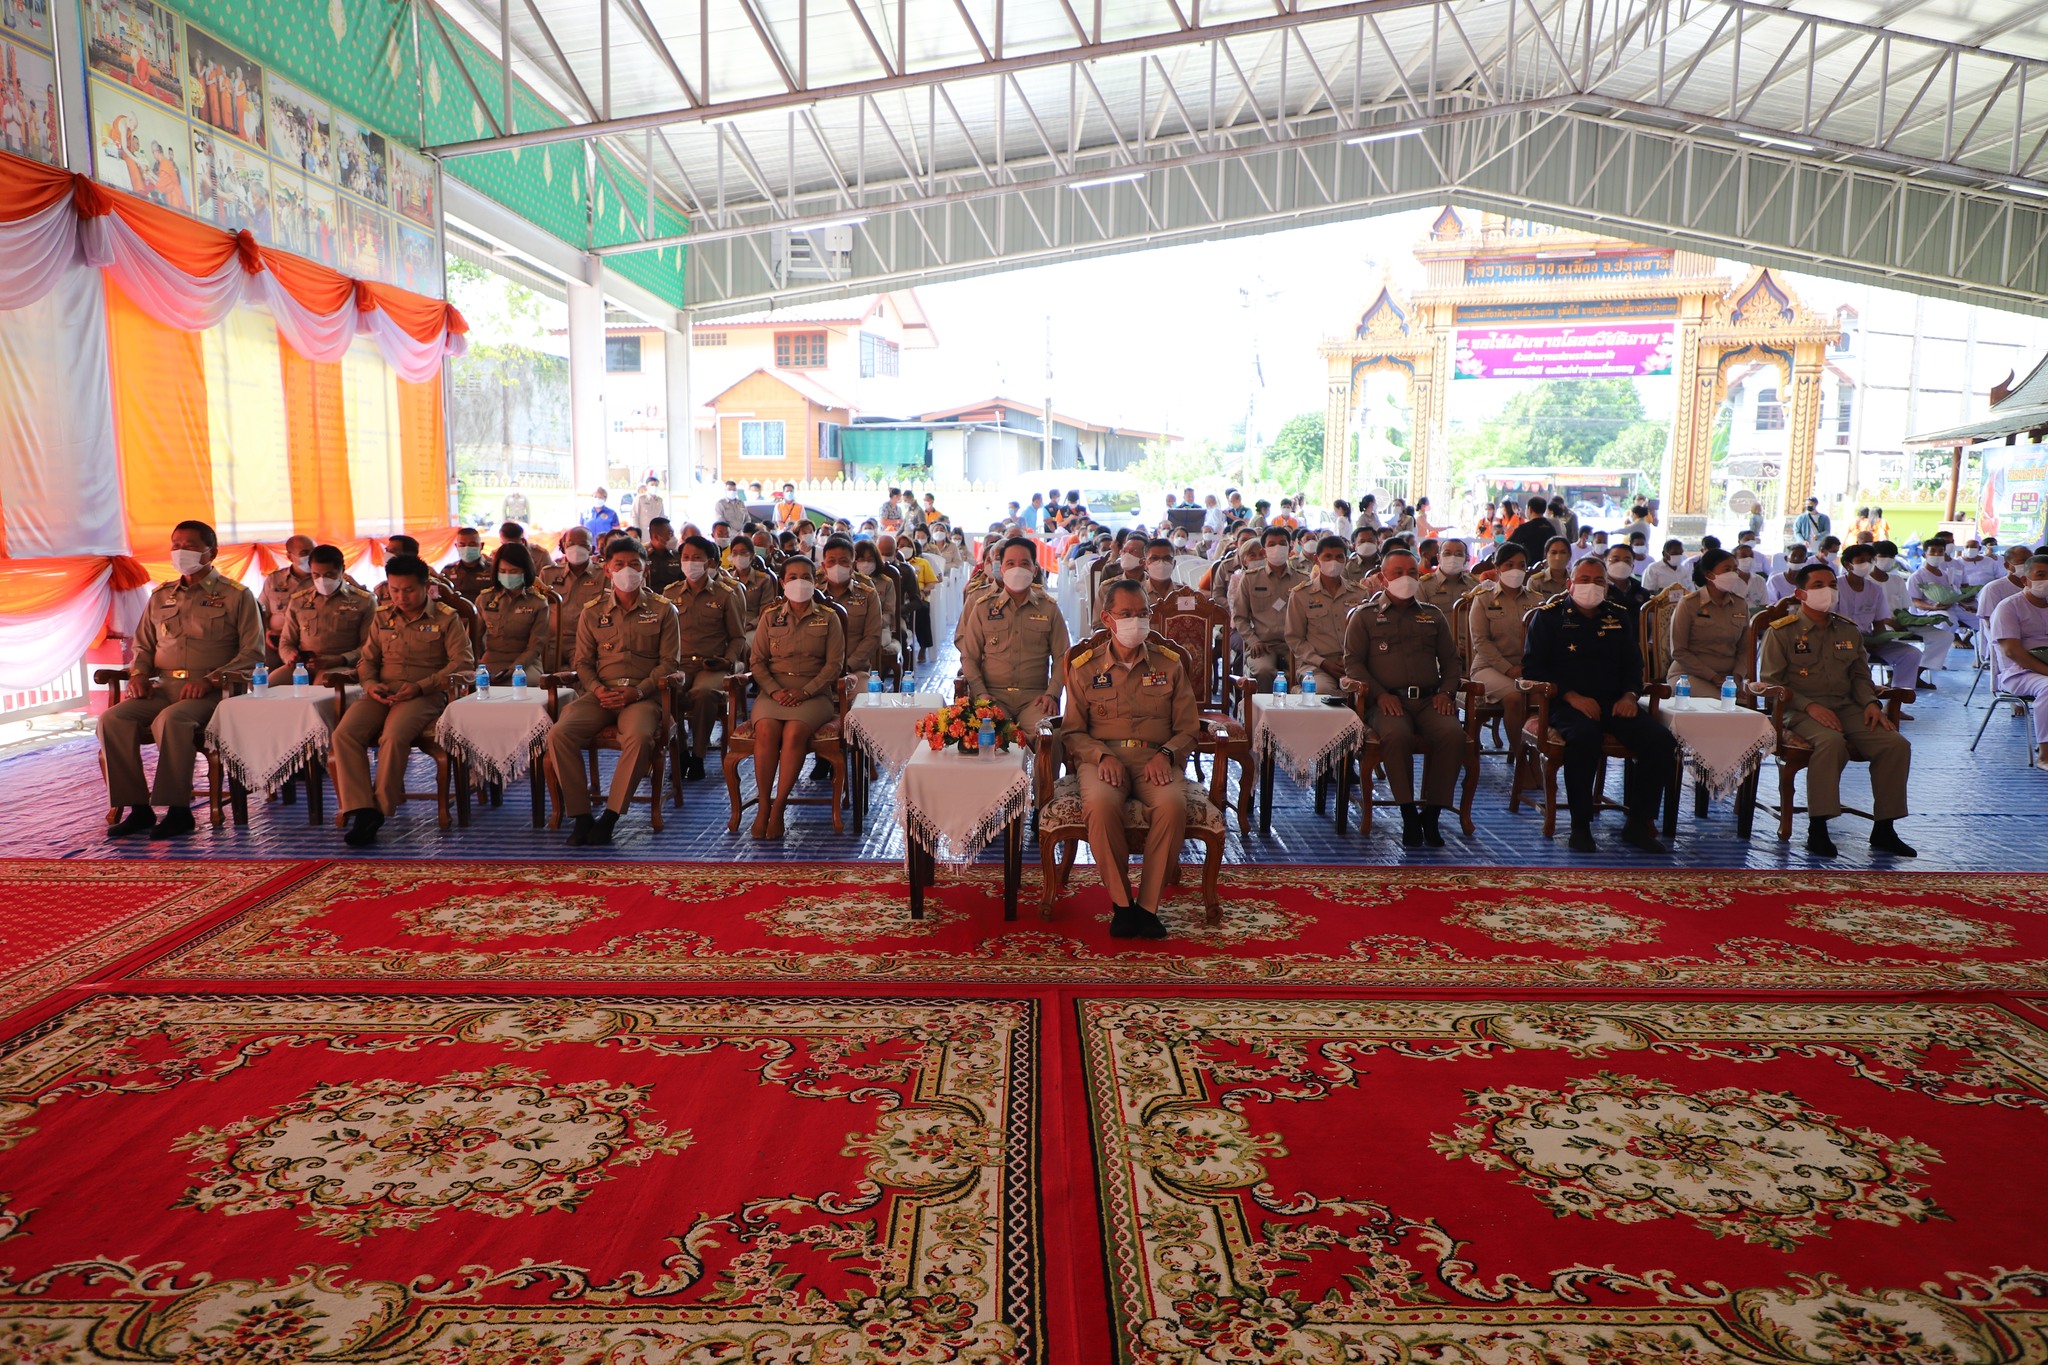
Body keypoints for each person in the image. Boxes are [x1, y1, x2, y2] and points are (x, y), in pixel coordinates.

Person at [102, 521, 263, 841]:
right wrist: (138, 676)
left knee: (172, 719)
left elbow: (253, 654)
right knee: (112, 719)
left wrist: (211, 680)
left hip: (213, 693)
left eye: (189, 546)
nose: (180, 552)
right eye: (175, 545)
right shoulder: (161, 596)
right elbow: (143, 646)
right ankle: (138, 808)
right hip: (163, 687)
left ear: (211, 553)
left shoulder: (236, 596)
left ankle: (179, 812)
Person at [1059, 580, 1201, 940]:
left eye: (1143, 613)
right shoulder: (1085, 667)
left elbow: (1189, 727)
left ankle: (1148, 908)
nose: (1136, 621)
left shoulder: (1169, 664)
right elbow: (1072, 731)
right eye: (1126, 614)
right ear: (1107, 618)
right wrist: (1101, 755)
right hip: (1103, 759)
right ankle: (1122, 905)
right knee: (1102, 807)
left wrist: (1167, 754)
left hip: (1156, 758)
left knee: (1171, 806)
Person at [1758, 562, 1915, 857]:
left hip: (1847, 706)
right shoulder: (1781, 633)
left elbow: (1859, 676)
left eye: (1831, 585)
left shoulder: (1848, 630)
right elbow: (1770, 684)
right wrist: (1810, 706)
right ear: (1801, 594)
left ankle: (1884, 828)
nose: (1827, 591)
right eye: (1818, 586)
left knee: (1895, 744)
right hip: (1798, 710)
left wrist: (1871, 703)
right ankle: (1818, 827)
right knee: (1830, 743)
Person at [1522, 557, 1678, 854]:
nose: (1590, 586)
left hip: (1616, 704)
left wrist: (1630, 696)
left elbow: (1634, 667)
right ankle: (1581, 827)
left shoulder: (1619, 617)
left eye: (1597, 581)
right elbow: (1533, 670)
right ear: (1570, 584)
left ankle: (1638, 824)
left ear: (1606, 587)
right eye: (1584, 579)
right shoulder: (1549, 617)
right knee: (1584, 738)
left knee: (1660, 741)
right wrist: (1572, 697)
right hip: (1566, 704)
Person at [543, 537, 679, 846]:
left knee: (639, 736)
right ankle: (581, 817)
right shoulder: (593, 612)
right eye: (619, 565)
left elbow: (669, 663)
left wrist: (638, 692)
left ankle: (610, 817)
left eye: (634, 565)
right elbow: (582, 662)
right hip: (600, 694)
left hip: (642, 697)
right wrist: (597, 689)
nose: (627, 571)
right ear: (607, 570)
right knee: (559, 734)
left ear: (645, 571)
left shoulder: (663, 610)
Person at [332, 554, 473, 847]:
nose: (401, 597)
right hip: (382, 691)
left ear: (425, 587)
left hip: (424, 694)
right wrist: (370, 685)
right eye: (394, 590)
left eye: (408, 590)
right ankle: (360, 808)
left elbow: (463, 663)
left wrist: (421, 687)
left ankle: (379, 810)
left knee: (393, 736)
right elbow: (366, 660)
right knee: (344, 734)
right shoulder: (382, 617)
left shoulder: (446, 619)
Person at [1340, 547, 1465, 848]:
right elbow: (1353, 663)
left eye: (1412, 573)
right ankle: (1409, 814)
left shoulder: (1432, 615)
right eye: (1398, 573)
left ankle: (1432, 814)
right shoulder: (1365, 616)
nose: (1406, 579)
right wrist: (1380, 695)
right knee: (1396, 736)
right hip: (1385, 701)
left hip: (1429, 700)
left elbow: (1451, 661)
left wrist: (1447, 692)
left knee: (1453, 735)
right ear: (1384, 578)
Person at [749, 557, 846, 839]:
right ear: (782, 582)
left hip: (813, 694)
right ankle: (763, 804)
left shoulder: (828, 618)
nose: (799, 582)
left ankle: (779, 807)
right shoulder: (770, 617)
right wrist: (776, 690)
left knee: (794, 732)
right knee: (766, 729)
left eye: (806, 577)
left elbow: (834, 665)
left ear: (816, 583)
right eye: (792, 577)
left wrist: (805, 691)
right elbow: (757, 662)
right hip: (774, 691)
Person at [958, 536, 1071, 730]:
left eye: (1025, 563)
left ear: (1035, 570)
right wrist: (980, 694)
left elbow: (1063, 656)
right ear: (1001, 569)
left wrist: (1052, 694)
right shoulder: (983, 607)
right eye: (1010, 563)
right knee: (985, 734)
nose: (1017, 568)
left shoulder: (1049, 608)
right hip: (993, 696)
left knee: (1048, 734)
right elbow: (969, 657)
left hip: (1035, 698)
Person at [656, 535, 744, 783]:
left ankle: (698, 756)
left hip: (712, 664)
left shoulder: (726, 594)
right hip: (679, 663)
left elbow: (738, 637)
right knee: (668, 691)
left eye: (697, 558)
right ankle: (680, 752)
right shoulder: (670, 593)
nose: (690, 563)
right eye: (686, 558)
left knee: (704, 693)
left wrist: (727, 661)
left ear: (710, 562)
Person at [1285, 535, 1371, 695]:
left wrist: (1355, 662)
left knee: (1370, 691)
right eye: (1328, 557)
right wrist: (1322, 663)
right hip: (1316, 666)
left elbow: (1367, 634)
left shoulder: (1359, 593)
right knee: (1322, 691)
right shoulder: (1301, 594)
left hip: (1354, 663)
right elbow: (1294, 638)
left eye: (1339, 557)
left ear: (1345, 560)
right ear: (1317, 560)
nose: (1334, 561)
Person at [1987, 554, 2048, 769]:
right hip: (2019, 673)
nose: (2047, 580)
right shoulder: (2008, 607)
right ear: (2025, 580)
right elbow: (2012, 651)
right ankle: (2045, 755)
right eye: (2041, 575)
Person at [278, 544, 375, 677]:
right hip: (304, 665)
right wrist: (290, 656)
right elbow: (286, 641)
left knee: (323, 685)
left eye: (329, 575)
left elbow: (369, 645)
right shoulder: (299, 600)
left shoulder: (364, 601)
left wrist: (341, 659)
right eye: (316, 575)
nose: (322, 580)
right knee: (271, 683)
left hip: (342, 664)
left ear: (342, 570)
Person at [1229, 526, 1306, 693]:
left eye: (1282, 543)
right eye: (1272, 544)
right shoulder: (1250, 579)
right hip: (1262, 644)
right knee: (1264, 672)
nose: (1277, 548)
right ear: (1264, 551)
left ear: (1290, 548)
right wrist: (1253, 641)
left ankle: (1299, 717)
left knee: (1307, 674)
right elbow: (1240, 617)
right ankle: (1262, 718)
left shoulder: (1302, 579)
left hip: (1295, 646)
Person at [1837, 543, 1923, 689]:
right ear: (1848, 564)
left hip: (1869, 639)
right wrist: (1860, 642)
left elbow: (1879, 623)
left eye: (1870, 560)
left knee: (1911, 653)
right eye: (1861, 560)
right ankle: (1860, 699)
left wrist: (1879, 640)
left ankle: (1895, 701)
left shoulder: (1875, 589)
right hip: (1841, 641)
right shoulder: (1836, 586)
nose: (1867, 564)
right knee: (1858, 654)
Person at [1667, 549, 1749, 695]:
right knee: (1719, 703)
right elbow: (1679, 651)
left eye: (1735, 569)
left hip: (1729, 679)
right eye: (1727, 569)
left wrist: (1736, 678)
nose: (1733, 574)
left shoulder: (1740, 605)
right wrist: (1715, 678)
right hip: (1689, 675)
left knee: (1746, 707)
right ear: (1709, 575)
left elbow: (1745, 650)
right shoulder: (1689, 604)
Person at [818, 536, 886, 692]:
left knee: (862, 698)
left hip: (854, 670)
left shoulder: (867, 595)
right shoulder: (814, 596)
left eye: (843, 561)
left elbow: (872, 637)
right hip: (816, 671)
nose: (837, 566)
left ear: (852, 565)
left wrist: (848, 665)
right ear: (823, 565)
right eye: (831, 561)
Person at [473, 543, 550, 680]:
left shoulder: (537, 603)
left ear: (525, 571)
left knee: (515, 683)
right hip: (491, 660)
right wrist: (476, 665)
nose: (507, 576)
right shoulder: (485, 599)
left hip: (527, 664)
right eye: (502, 571)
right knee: (478, 684)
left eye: (513, 571)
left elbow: (535, 647)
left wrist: (514, 669)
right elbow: (473, 638)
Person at [539, 526, 607, 653]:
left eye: (583, 545)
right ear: (563, 547)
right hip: (551, 642)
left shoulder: (604, 574)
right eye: (571, 544)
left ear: (591, 549)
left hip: (586, 643)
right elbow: (538, 609)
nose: (576, 549)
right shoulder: (548, 574)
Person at [257, 534, 316, 665]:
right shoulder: (274, 580)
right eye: (305, 553)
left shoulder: (323, 579)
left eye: (314, 551)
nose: (311, 556)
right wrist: (266, 632)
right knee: (259, 667)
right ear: (289, 556)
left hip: (309, 640)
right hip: (276, 639)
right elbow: (261, 611)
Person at [1419, 538, 1478, 612]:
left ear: (1466, 558)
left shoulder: (1475, 584)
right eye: (1447, 553)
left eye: (1459, 554)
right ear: (1438, 557)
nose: (1453, 557)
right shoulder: (1424, 585)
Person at [442, 526, 494, 600]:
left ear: (481, 546)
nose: (467, 548)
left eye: (472, 544)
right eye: (462, 545)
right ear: (456, 546)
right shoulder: (448, 571)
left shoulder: (493, 570)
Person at [1505, 497, 1556, 563]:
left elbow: (1507, 546)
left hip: (1528, 568)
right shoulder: (1551, 528)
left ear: (1530, 509)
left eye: (1526, 508)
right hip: (1547, 566)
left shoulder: (1524, 528)